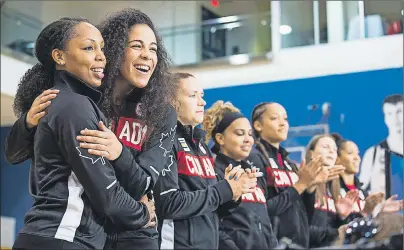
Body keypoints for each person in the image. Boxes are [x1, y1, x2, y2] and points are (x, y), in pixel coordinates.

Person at [5, 9, 177, 250]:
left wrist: (119, 153)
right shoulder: (83, 97)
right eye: (137, 46)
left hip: (132, 233)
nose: (147, 55)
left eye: (153, 49)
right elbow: (14, 154)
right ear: (116, 49)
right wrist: (26, 123)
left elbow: (145, 183)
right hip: (84, 229)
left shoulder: (161, 113)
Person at [153, 73, 259, 249]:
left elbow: (211, 209)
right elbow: (169, 203)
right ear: (170, 100)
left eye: (201, 96)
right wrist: (222, 190)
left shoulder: (201, 147)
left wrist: (232, 193)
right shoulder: (164, 140)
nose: (202, 102)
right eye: (192, 95)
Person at [250, 102, 342, 248]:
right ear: (258, 125)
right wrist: (301, 185)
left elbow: (305, 216)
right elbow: (261, 211)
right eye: (274, 118)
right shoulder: (254, 158)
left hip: (298, 245)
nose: (282, 123)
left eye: (285, 119)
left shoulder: (289, 164)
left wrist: (310, 187)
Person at [202, 100, 278, 249]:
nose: (248, 139)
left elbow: (264, 220)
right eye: (239, 133)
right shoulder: (213, 171)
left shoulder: (253, 172)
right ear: (220, 138)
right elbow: (214, 223)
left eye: (250, 134)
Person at [333, 133, 403, 218]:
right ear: (337, 159)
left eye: (357, 153)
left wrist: (381, 213)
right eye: (350, 153)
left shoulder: (363, 193)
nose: (357, 158)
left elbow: (366, 226)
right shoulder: (332, 190)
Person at [359, 94, 403, 198]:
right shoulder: (373, 154)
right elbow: (361, 191)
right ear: (385, 118)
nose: (395, 118)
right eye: (390, 113)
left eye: (399, 112)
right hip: (385, 213)